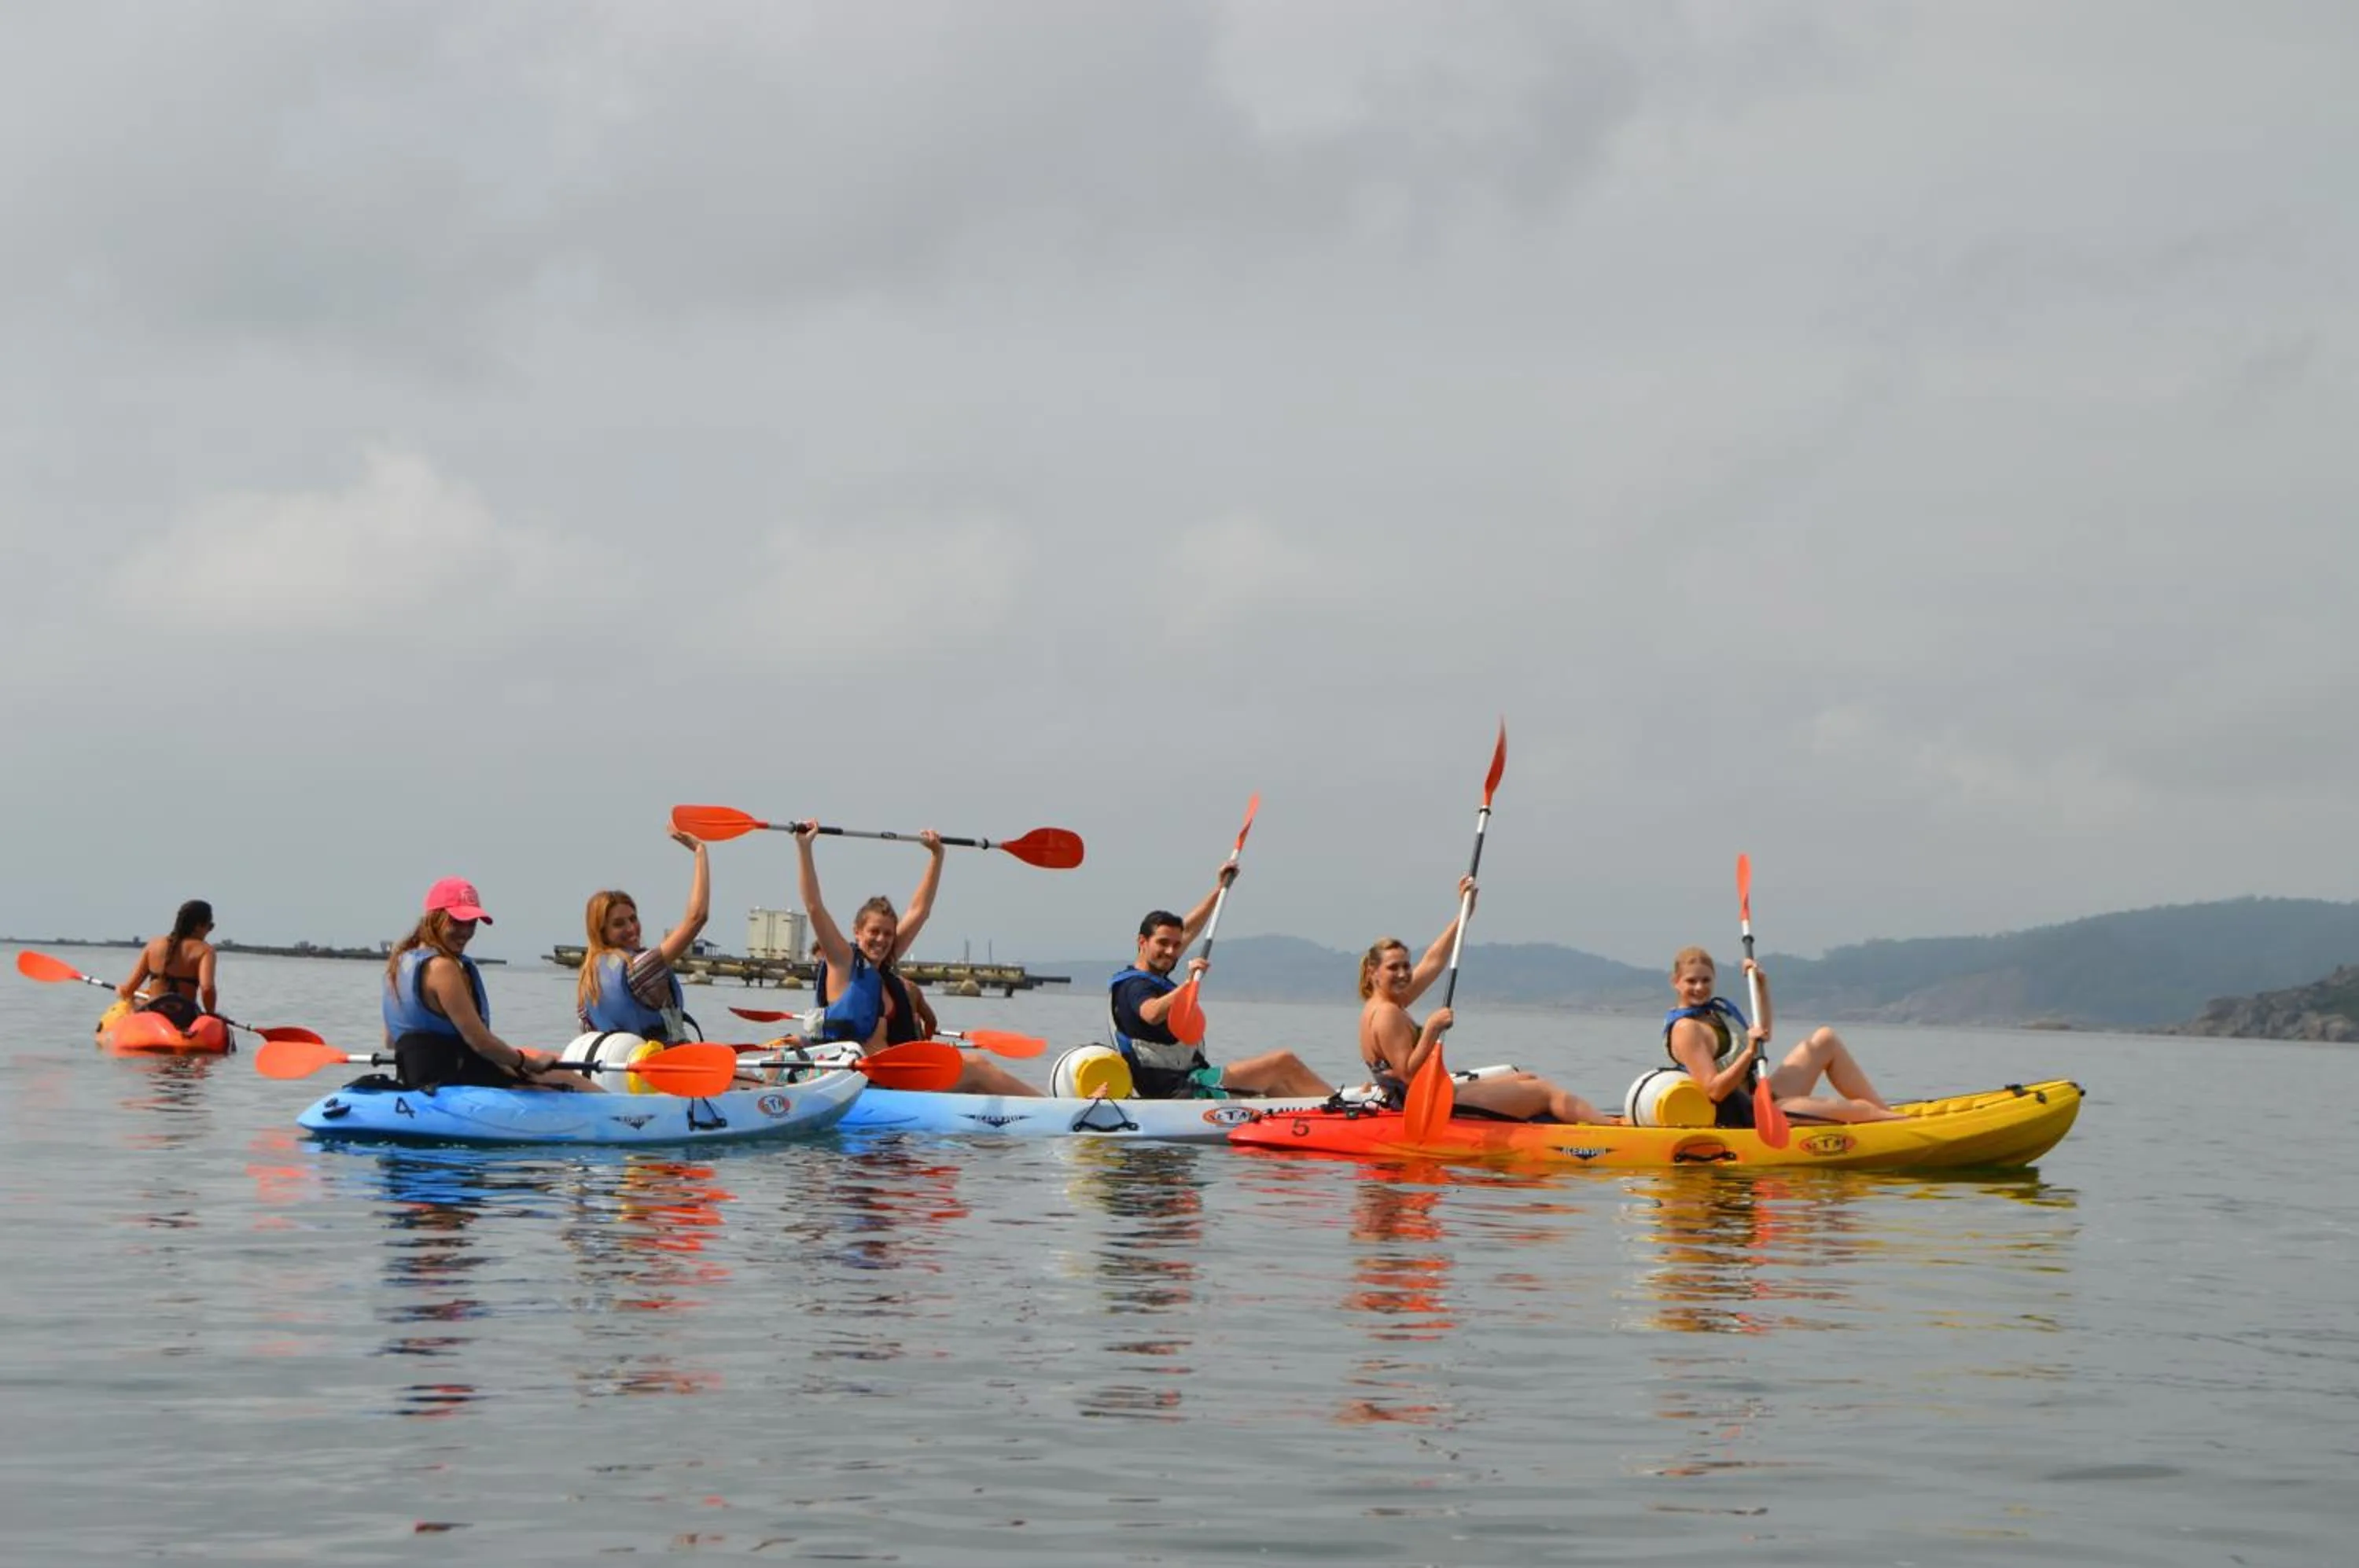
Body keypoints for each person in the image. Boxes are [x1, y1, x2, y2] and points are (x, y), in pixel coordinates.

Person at [795, 823, 1040, 1096]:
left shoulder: (885, 966)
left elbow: (920, 910)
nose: (881, 940)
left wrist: (937, 856)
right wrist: (804, 848)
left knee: (972, 1078)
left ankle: (1038, 1112)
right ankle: (1060, 1109)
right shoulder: (842, 962)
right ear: (857, 931)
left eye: (888, 933)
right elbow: (814, 906)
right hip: (862, 1084)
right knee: (978, 1068)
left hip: (896, 1080)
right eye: (873, 932)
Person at [1359, 877, 1604, 1122]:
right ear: (1373, 971)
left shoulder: (1387, 1002)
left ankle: (1583, 1122)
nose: (1403, 974)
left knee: (1526, 1079)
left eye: (1406, 965)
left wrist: (1464, 914)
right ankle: (1610, 1131)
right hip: (1428, 1107)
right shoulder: (1387, 1014)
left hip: (1431, 1096)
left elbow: (1433, 961)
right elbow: (1407, 1074)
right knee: (1545, 1092)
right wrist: (1432, 1028)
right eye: (1393, 968)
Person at [1111, 865, 1331, 1099]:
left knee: (1276, 1085)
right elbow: (1152, 1013)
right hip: (1181, 1091)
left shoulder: (1156, 972)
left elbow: (1189, 930)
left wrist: (1220, 889)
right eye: (1163, 943)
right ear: (1142, 942)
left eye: (1175, 945)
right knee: (1283, 1062)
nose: (1171, 951)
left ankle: (1315, 1118)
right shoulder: (1135, 986)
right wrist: (1188, 985)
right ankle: (1342, 1108)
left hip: (1190, 1081)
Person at [383, 878, 595, 1091]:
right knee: (566, 1084)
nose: (466, 931)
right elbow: (480, 1043)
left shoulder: (399, 963)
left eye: (471, 923)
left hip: (419, 1078)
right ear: (434, 918)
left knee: (558, 1074)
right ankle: (624, 1116)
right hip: (453, 1083)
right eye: (456, 921)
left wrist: (512, 1062)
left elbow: (391, 1040)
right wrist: (530, 1063)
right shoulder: (442, 968)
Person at [1663, 946, 1902, 1125]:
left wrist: (1761, 986)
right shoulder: (1687, 1029)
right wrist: (1749, 1052)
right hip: (1748, 1115)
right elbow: (1715, 1091)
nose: (1700, 987)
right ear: (1675, 982)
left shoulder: (1714, 1013)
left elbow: (1763, 1034)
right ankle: (1894, 1123)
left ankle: (1890, 1116)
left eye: (1706, 980)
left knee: (1825, 1038)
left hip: (1761, 1096)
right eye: (1691, 981)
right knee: (1861, 1112)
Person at [576, 825, 710, 1041]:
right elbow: (697, 917)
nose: (631, 928)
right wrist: (700, 852)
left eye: (633, 918)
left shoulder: (588, 978)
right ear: (602, 933)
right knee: (759, 1076)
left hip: (619, 1071)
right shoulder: (638, 969)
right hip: (661, 1068)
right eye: (619, 924)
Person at [116, 899, 218, 1030]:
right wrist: (210, 1014)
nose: (209, 931)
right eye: (210, 927)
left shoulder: (153, 945)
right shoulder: (205, 950)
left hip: (153, 1014)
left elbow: (128, 990)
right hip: (185, 1017)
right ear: (199, 926)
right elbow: (207, 988)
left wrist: (120, 990)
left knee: (137, 1000)